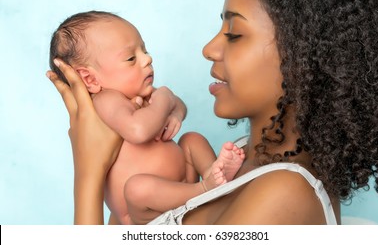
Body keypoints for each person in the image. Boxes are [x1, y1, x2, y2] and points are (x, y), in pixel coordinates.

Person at [47, 0, 378, 225]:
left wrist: (89, 173)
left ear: (306, 57)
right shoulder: (240, 158)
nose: (209, 49)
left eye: (235, 34)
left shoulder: (283, 194)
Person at [48, 11, 245, 225]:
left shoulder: (141, 93)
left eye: (145, 50)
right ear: (90, 78)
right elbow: (137, 131)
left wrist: (175, 111)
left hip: (182, 185)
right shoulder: (106, 101)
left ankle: (215, 174)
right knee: (137, 188)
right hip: (143, 211)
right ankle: (206, 188)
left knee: (191, 139)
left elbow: (178, 105)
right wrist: (165, 97)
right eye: (131, 58)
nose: (147, 59)